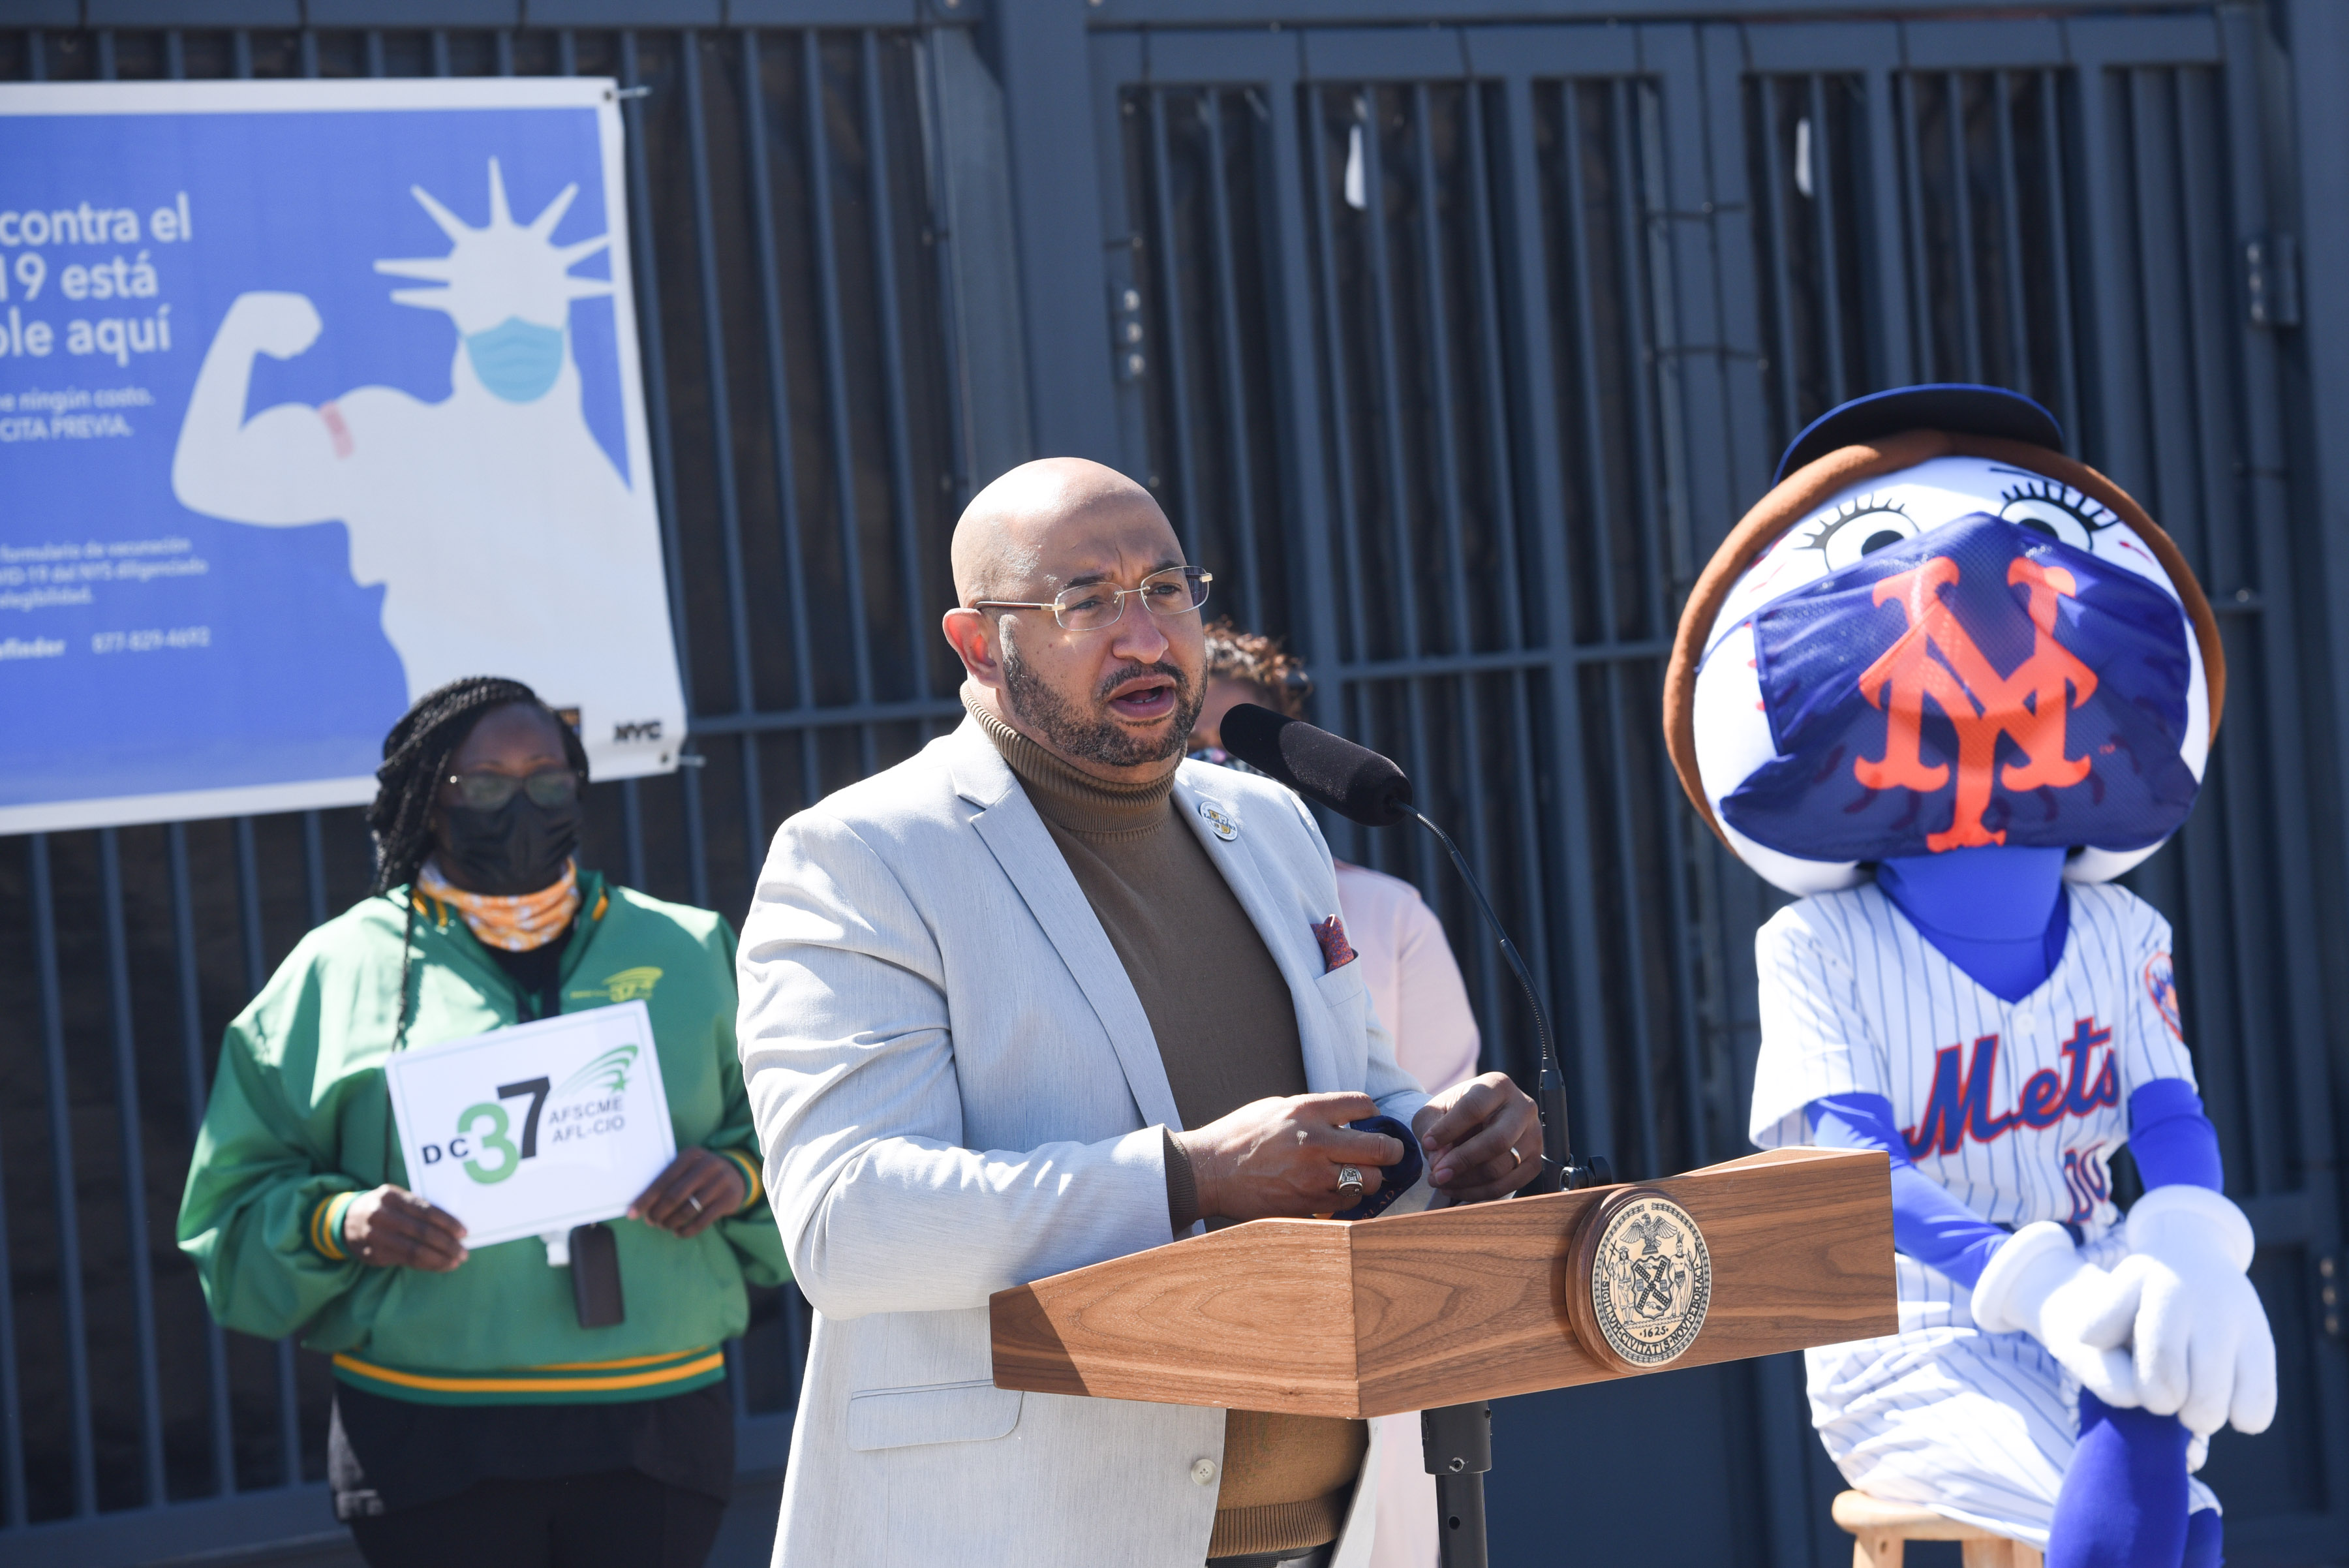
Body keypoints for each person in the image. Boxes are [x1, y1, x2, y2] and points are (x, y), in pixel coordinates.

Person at [737, 459, 1543, 1568]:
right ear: (978, 645)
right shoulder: (864, 857)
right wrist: (1187, 1175)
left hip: (1325, 1531)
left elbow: (1360, 1092)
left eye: (1167, 589)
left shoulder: (1267, 826)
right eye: (1086, 601)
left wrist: (1445, 1139)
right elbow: (848, 1219)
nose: (1147, 635)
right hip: (1026, 1532)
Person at [1663, 386, 2274, 1567]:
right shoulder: (1815, 943)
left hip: (2097, 1293)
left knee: (2174, 1482)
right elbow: (1847, 1169)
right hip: (1913, 1335)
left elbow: (2168, 1112)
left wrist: (2193, 1240)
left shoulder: (2118, 929)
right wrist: (2023, 1275)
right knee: (2142, 1465)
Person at [177, 677, 786, 1568]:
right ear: (429, 804)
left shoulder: (688, 950)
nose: (523, 801)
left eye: (547, 776)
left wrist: (741, 1174)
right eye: (488, 784)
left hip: (654, 1417)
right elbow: (228, 1209)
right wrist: (338, 1220)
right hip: (429, 1430)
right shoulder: (337, 969)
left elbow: (802, 1132)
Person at [1187, 621, 1478, 1568]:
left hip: (1368, 1325)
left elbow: (1438, 1110)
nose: (1213, 770)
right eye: (1192, 745)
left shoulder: (1385, 913)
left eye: (1236, 747)